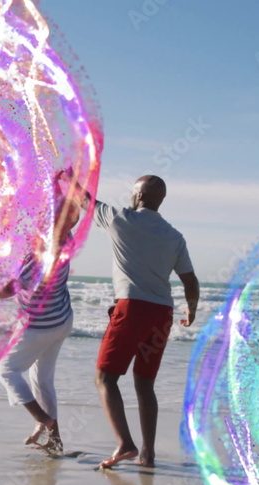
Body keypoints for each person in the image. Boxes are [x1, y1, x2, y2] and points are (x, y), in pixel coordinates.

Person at [65, 170, 200, 469]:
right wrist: (191, 309)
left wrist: (70, 180)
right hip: (161, 314)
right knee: (145, 384)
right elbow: (190, 282)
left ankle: (125, 444)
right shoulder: (175, 237)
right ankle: (147, 454)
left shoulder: (119, 219)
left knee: (104, 378)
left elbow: (85, 201)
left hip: (131, 309)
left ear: (138, 196)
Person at [0, 193, 81, 453]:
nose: (39, 217)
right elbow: (62, 215)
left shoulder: (40, 256)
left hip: (39, 326)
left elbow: (10, 288)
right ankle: (55, 438)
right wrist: (59, 188)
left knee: (6, 371)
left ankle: (43, 420)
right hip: (61, 319)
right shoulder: (67, 240)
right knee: (43, 380)